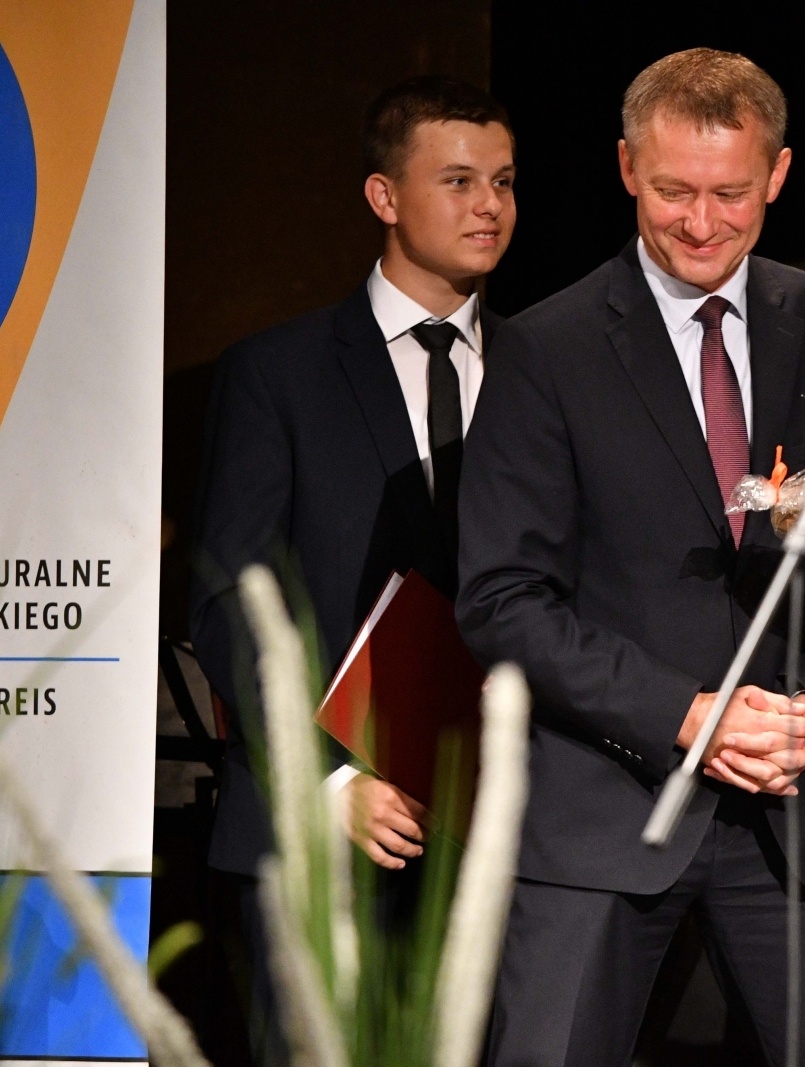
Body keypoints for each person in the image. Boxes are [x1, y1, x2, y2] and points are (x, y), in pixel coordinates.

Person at [458, 48, 805, 1067]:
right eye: (672, 192)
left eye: (729, 194)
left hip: (789, 813)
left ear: (778, 176)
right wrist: (689, 714)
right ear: (625, 168)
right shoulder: (545, 347)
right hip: (598, 816)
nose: (700, 223)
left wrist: (804, 706)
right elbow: (502, 601)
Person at [188, 75, 516, 1062]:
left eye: (503, 180)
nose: (488, 206)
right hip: (320, 840)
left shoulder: (546, 370)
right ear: (383, 197)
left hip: (498, 845)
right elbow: (227, 607)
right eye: (457, 180)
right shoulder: (276, 373)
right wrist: (327, 779)